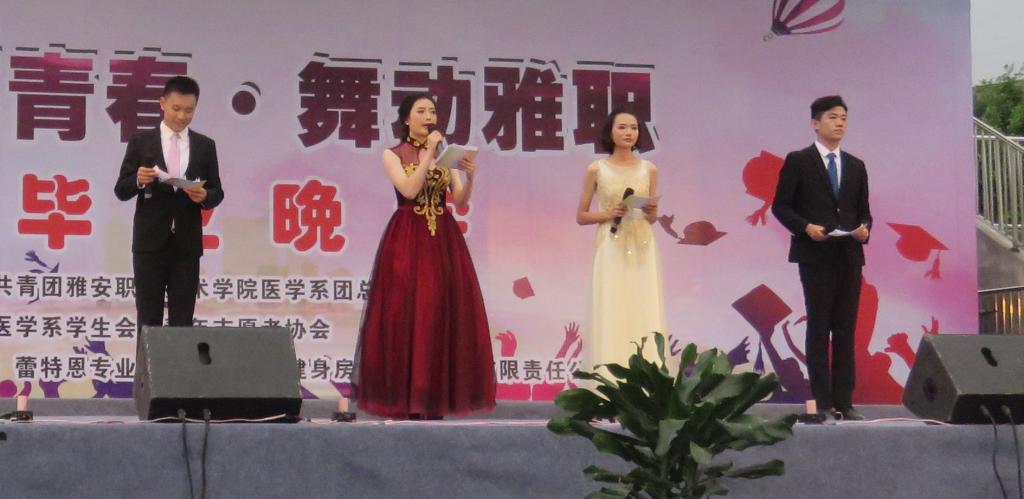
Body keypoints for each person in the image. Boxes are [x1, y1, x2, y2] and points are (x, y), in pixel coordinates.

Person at [355, 93, 495, 419]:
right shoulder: (393, 154)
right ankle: (409, 398)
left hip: (443, 237)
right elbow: (409, 190)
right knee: (407, 312)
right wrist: (429, 153)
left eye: (432, 111)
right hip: (407, 236)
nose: (429, 116)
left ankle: (435, 397)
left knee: (440, 311)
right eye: (421, 111)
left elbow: (459, 201)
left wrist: (470, 175)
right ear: (406, 119)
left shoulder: (445, 154)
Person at [771, 95, 872, 421]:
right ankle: (822, 401)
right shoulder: (799, 161)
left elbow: (865, 212)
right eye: (832, 117)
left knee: (846, 329)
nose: (839, 122)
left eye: (844, 117)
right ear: (815, 123)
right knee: (818, 327)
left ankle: (845, 401)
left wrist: (865, 230)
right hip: (815, 255)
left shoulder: (856, 165)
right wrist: (806, 228)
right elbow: (781, 206)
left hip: (849, 255)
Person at [114, 76, 224, 334]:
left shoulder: (205, 146)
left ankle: (180, 364)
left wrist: (204, 196)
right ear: (162, 103)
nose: (182, 116)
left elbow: (217, 191)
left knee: (182, 322)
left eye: (189, 110)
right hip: (149, 244)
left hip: (186, 245)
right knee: (148, 321)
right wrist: (138, 180)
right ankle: (145, 364)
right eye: (176, 108)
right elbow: (121, 189)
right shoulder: (141, 141)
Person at [575, 110, 666, 368]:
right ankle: (609, 375)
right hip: (611, 243)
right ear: (610, 131)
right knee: (612, 305)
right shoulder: (597, 169)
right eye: (622, 127)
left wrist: (652, 212)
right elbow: (581, 216)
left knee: (643, 305)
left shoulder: (649, 169)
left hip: (643, 243)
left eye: (634, 128)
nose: (629, 133)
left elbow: (651, 218)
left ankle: (647, 378)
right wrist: (608, 214)